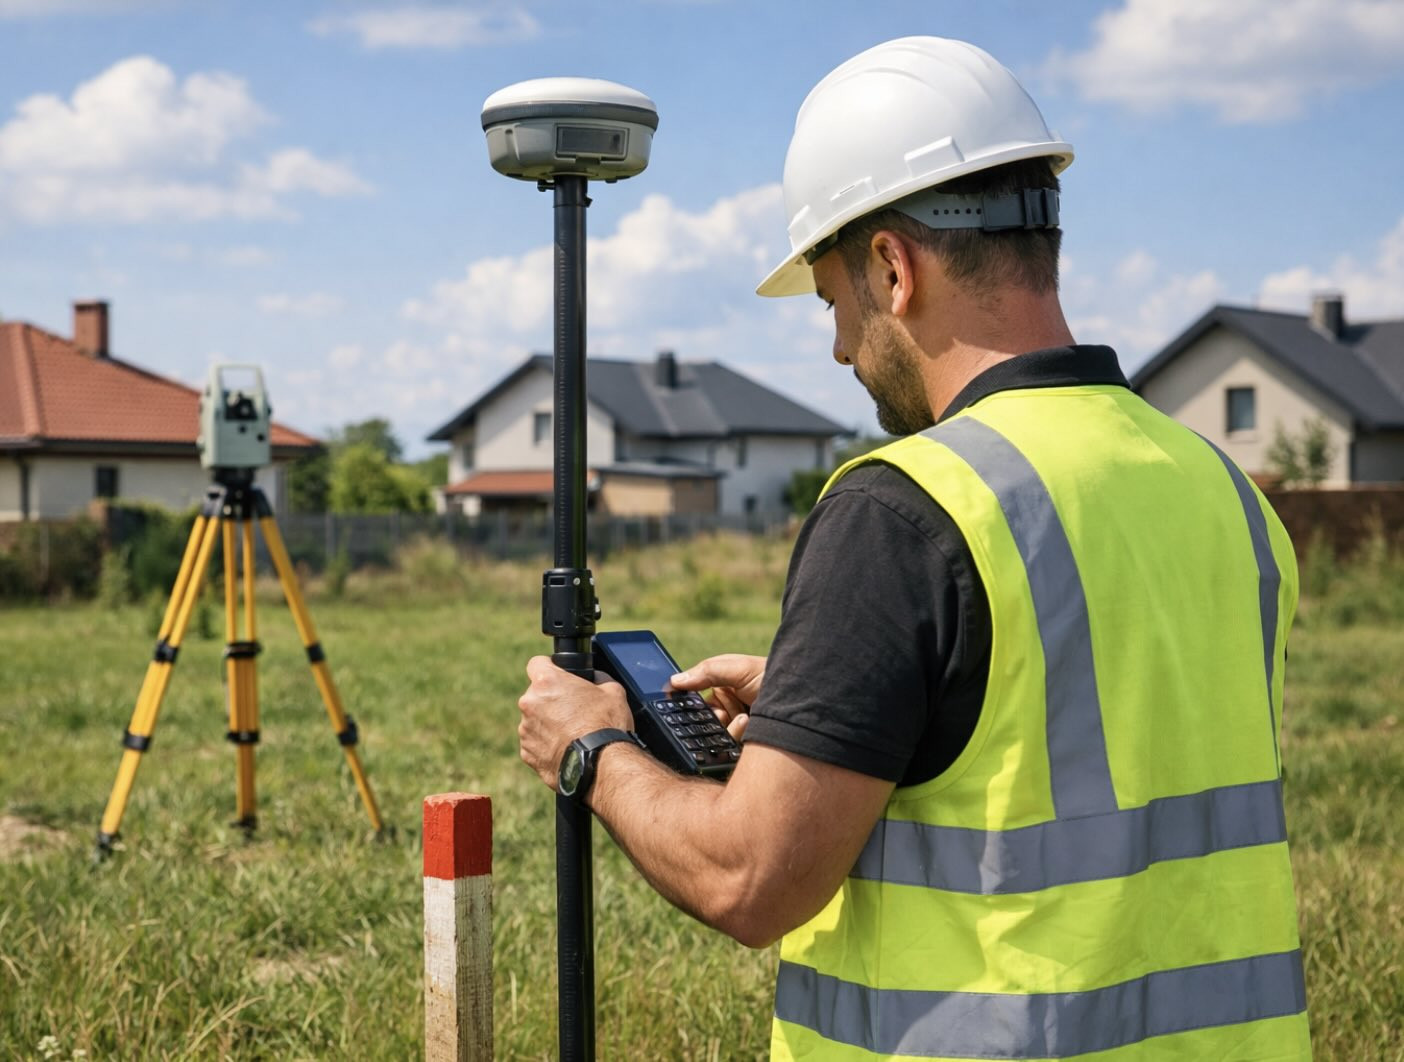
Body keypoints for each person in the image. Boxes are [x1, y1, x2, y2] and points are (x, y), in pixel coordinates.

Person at [518, 35, 1312, 1060]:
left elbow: (750, 878)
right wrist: (864, 704)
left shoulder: (907, 510)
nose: (841, 346)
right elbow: (1097, 720)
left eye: (835, 302)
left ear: (892, 268)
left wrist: (595, 750)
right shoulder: (1223, 491)